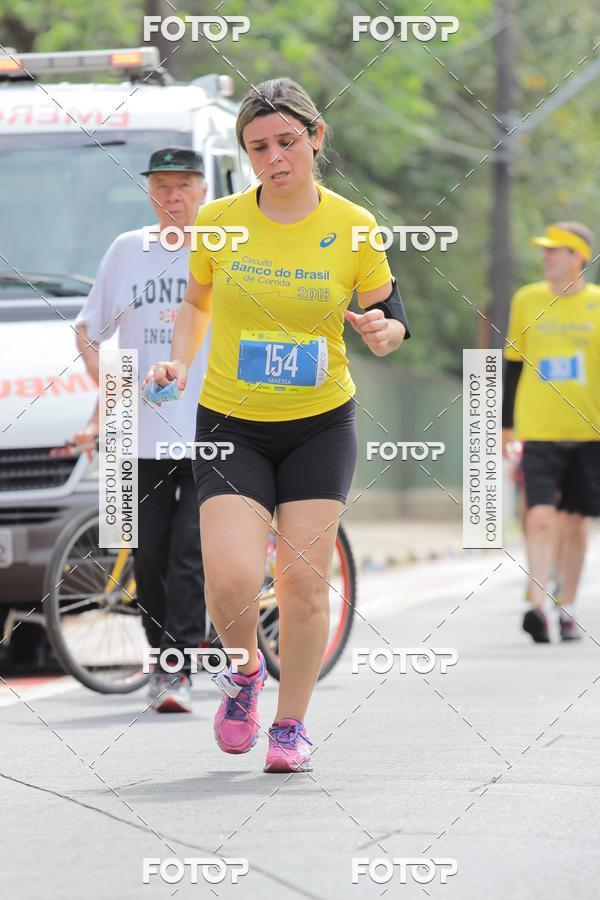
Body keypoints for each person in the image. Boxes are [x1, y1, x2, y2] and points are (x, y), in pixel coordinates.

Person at [145, 78, 410, 773]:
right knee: (230, 580)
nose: (274, 157)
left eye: (287, 142)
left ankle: (290, 727)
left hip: (321, 423)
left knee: (299, 579)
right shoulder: (220, 221)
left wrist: (387, 331)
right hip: (232, 420)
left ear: (316, 138)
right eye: (258, 147)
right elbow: (197, 301)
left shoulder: (353, 225)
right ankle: (242, 675)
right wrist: (179, 360)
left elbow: (389, 308)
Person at [74, 147, 210, 711]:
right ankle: (163, 658)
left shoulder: (223, 249)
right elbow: (87, 330)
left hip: (211, 427)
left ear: (203, 190)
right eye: (161, 186)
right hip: (140, 432)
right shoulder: (127, 251)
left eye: (182, 185)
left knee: (189, 551)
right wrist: (108, 397)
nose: (172, 196)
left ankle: (177, 668)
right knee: (147, 553)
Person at [502, 222, 600, 643]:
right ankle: (537, 606)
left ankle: (568, 607)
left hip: (588, 434)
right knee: (539, 517)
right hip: (537, 429)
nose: (546, 257)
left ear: (578, 257)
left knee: (575, 524)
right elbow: (511, 363)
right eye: (544, 250)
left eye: (554, 250)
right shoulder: (527, 299)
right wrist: (505, 425)